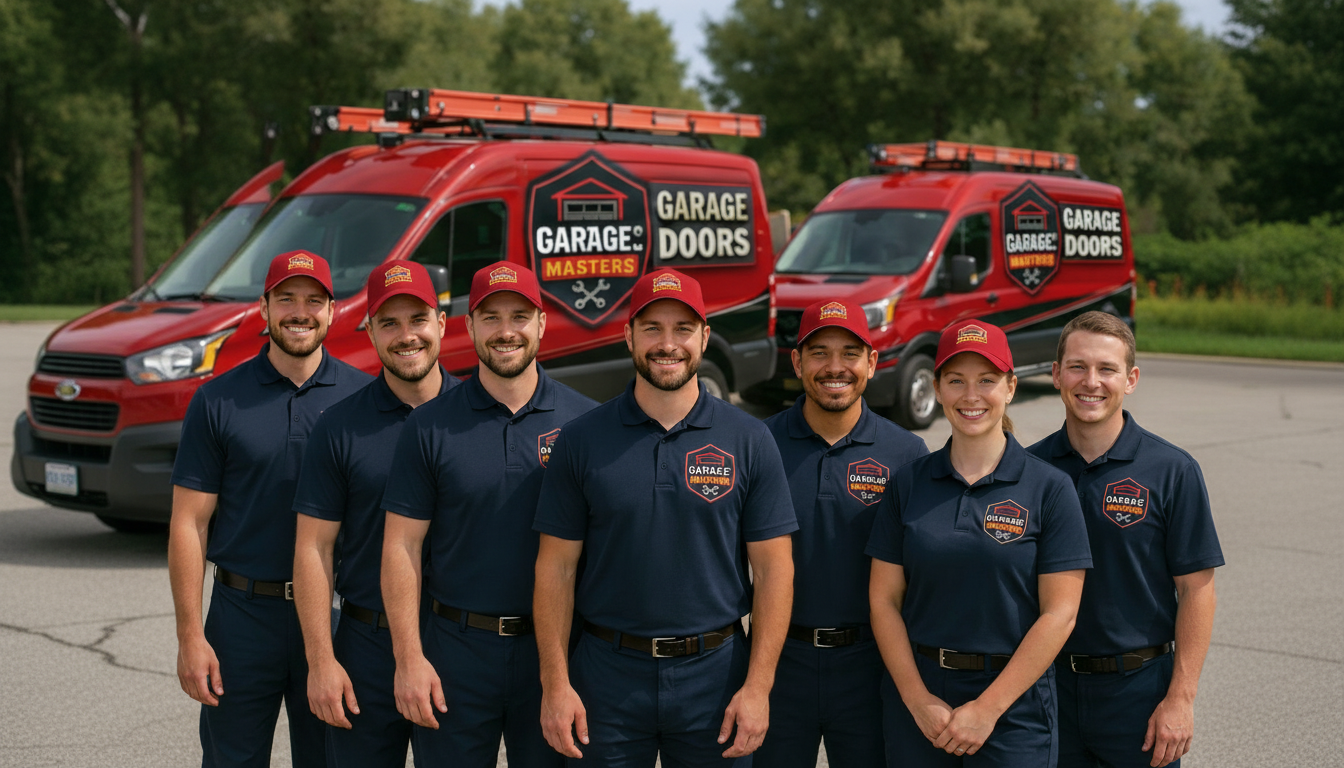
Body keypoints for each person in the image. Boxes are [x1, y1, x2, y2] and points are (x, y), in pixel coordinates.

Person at [533, 268, 798, 767]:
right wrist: (556, 683)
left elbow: (774, 570)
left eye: (683, 329)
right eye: (652, 328)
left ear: (705, 337)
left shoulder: (749, 439)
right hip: (606, 677)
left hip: (716, 676)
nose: (668, 344)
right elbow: (556, 568)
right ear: (628, 335)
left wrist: (758, 687)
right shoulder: (582, 439)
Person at [380, 262, 597, 767]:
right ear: (469, 326)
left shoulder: (587, 422)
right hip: (456, 652)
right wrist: (409, 658)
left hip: (558, 653)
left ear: (542, 322)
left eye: (519, 316)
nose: (505, 331)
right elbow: (401, 545)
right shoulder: (429, 426)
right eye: (491, 317)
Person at [168, 250, 373, 768]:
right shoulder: (218, 400)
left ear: (333, 311)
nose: (300, 312)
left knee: (331, 759)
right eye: (286, 299)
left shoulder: (366, 400)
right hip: (241, 617)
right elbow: (190, 522)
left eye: (313, 300)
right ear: (263, 308)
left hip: (334, 619)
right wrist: (190, 636)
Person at [866, 319, 1092, 767]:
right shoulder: (908, 484)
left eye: (987, 380)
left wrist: (987, 709)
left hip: (1014, 705)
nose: (971, 395)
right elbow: (883, 601)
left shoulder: (1049, 488)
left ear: (1010, 388)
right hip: (922, 697)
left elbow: (1060, 614)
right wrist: (916, 699)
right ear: (937, 389)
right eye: (956, 381)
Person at [1027, 311, 1223, 768]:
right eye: (1077, 366)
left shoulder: (1173, 471)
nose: (1091, 382)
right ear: (1055, 374)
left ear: (1130, 379)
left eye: (1107, 369)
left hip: (1139, 692)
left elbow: (1197, 589)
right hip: (1047, 688)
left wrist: (1181, 698)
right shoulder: (1029, 470)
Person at [291, 260, 458, 767]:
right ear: (369, 331)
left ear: (442, 323)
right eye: (389, 323)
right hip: (366, 643)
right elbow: (313, 547)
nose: (406, 336)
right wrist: (321, 661)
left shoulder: (476, 415)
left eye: (418, 320)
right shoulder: (340, 426)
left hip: (458, 644)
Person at [757, 299, 929, 767]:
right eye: (820, 353)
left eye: (850, 353)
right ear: (797, 362)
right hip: (778, 662)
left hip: (871, 665)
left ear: (871, 362)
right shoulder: (759, 444)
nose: (835, 367)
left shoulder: (907, 454)